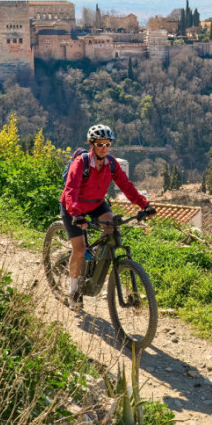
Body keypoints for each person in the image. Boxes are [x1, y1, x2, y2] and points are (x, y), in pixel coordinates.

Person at [60, 123, 154, 310]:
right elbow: (70, 190)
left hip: (96, 203)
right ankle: (74, 292)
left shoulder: (112, 164)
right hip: (74, 206)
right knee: (78, 250)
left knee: (112, 227)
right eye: (100, 144)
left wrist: (145, 205)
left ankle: (95, 260)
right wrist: (77, 215)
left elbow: (127, 187)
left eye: (107, 144)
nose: (104, 148)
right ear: (92, 145)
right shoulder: (82, 163)